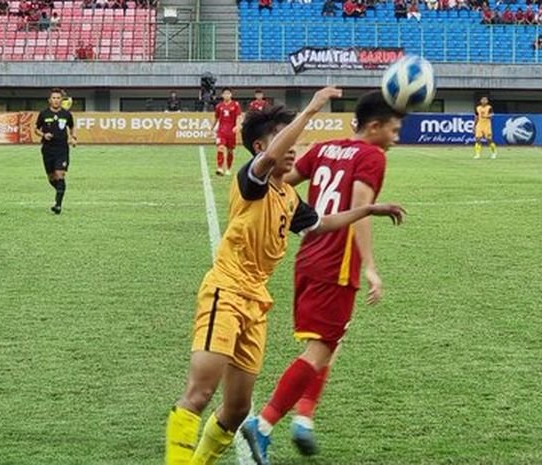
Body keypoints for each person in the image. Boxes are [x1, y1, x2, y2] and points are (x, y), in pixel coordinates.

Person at [164, 88, 405, 465]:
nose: (293, 148)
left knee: (238, 410)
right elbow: (273, 156)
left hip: (256, 302)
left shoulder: (288, 198)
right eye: (282, 138)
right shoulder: (252, 180)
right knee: (198, 393)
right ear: (261, 146)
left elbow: (323, 223)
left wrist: (368, 209)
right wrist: (309, 110)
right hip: (225, 291)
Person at [242, 90, 407, 464]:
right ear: (375, 127)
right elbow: (359, 209)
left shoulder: (325, 148)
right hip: (337, 264)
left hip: (309, 257)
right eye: (394, 130)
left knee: (330, 343)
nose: (396, 137)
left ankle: (304, 418)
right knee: (319, 349)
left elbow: (283, 182)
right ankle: (264, 424)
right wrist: (370, 267)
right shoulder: (371, 157)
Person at [34, 88, 77, 214]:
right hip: (47, 150)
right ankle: (60, 190)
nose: (56, 100)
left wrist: (73, 138)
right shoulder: (43, 114)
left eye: (58, 98)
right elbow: (36, 129)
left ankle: (58, 205)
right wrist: (43, 134)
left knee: (60, 174)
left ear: (61, 100)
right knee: (51, 178)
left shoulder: (66, 114)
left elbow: (72, 127)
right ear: (49, 100)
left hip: (62, 149)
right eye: (54, 98)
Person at [213, 87, 243, 176]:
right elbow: (216, 117)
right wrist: (211, 128)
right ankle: (220, 168)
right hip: (221, 131)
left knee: (230, 151)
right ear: (222, 95)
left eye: (228, 93)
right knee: (220, 148)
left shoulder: (236, 105)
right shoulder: (219, 106)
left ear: (231, 95)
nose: (226, 95)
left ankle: (228, 168)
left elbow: (239, 116)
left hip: (231, 132)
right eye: (225, 93)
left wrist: (237, 125)